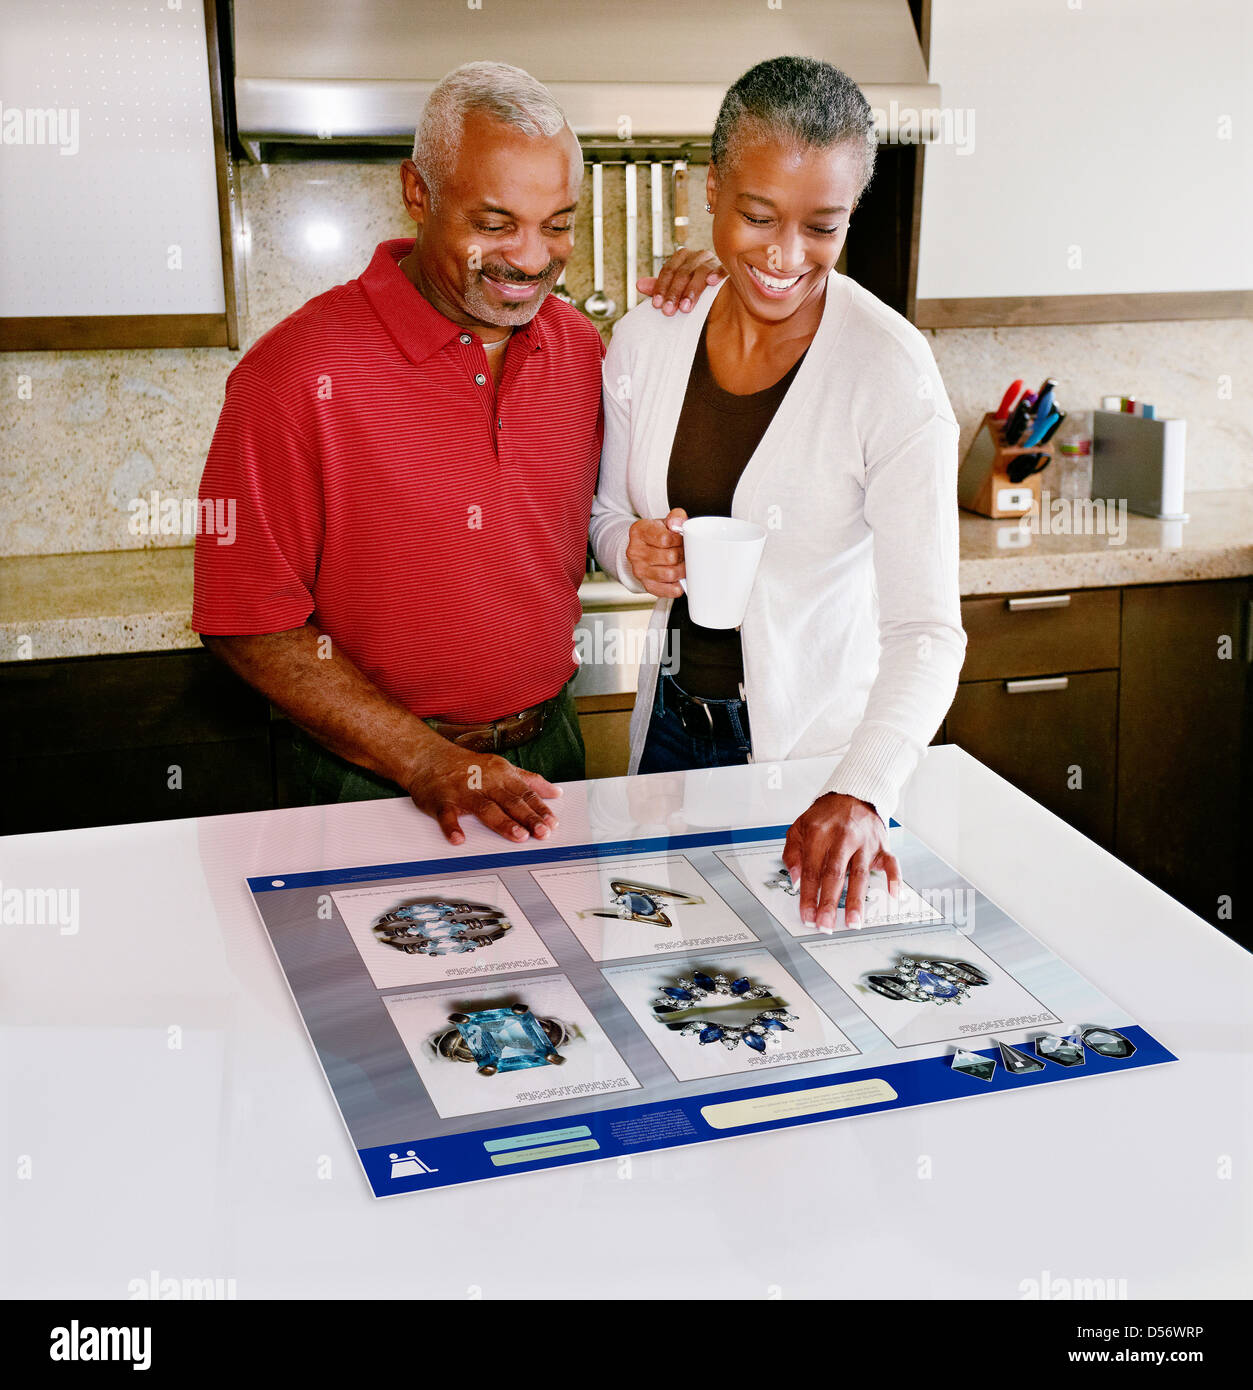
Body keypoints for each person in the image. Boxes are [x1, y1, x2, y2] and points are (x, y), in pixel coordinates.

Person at [192, 61, 716, 847]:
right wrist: (424, 759)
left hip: (552, 757)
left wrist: (728, 284)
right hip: (369, 779)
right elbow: (246, 621)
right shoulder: (294, 374)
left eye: (558, 223)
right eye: (495, 223)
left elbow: (584, 524)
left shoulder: (577, 349)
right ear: (417, 192)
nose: (533, 259)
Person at [590, 56, 967, 930]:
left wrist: (862, 789)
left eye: (822, 227)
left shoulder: (889, 370)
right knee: (667, 975)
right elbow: (606, 515)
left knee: (810, 1002)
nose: (785, 257)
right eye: (757, 216)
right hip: (670, 736)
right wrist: (628, 547)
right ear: (712, 188)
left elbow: (924, 632)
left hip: (818, 758)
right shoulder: (650, 335)